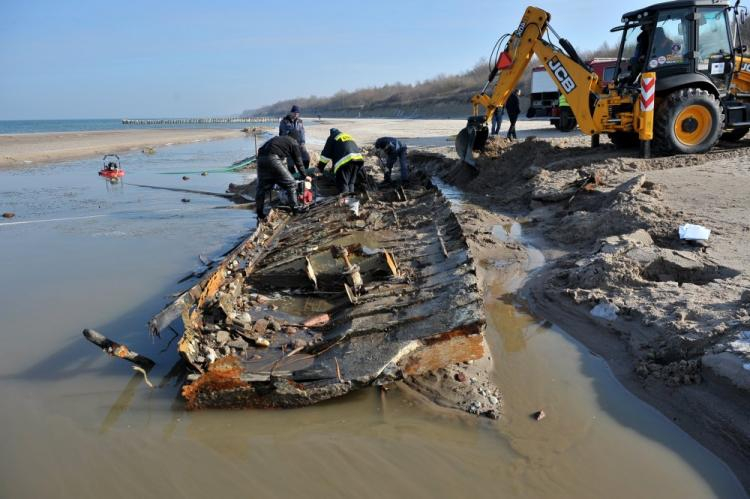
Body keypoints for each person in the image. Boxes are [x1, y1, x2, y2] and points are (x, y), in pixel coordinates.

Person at [255, 130, 307, 221]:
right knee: (291, 183)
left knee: (261, 188)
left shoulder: (278, 139)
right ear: (297, 139)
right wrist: (305, 175)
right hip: (272, 158)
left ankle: (259, 214)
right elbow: (298, 162)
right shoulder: (293, 142)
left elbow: (261, 150)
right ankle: (295, 209)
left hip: (260, 159)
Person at [317, 128, 365, 194]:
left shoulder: (332, 137)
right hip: (358, 160)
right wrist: (333, 168)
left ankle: (345, 200)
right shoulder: (347, 136)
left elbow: (325, 156)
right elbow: (340, 152)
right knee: (351, 183)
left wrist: (320, 168)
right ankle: (352, 200)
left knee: (343, 183)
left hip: (345, 162)